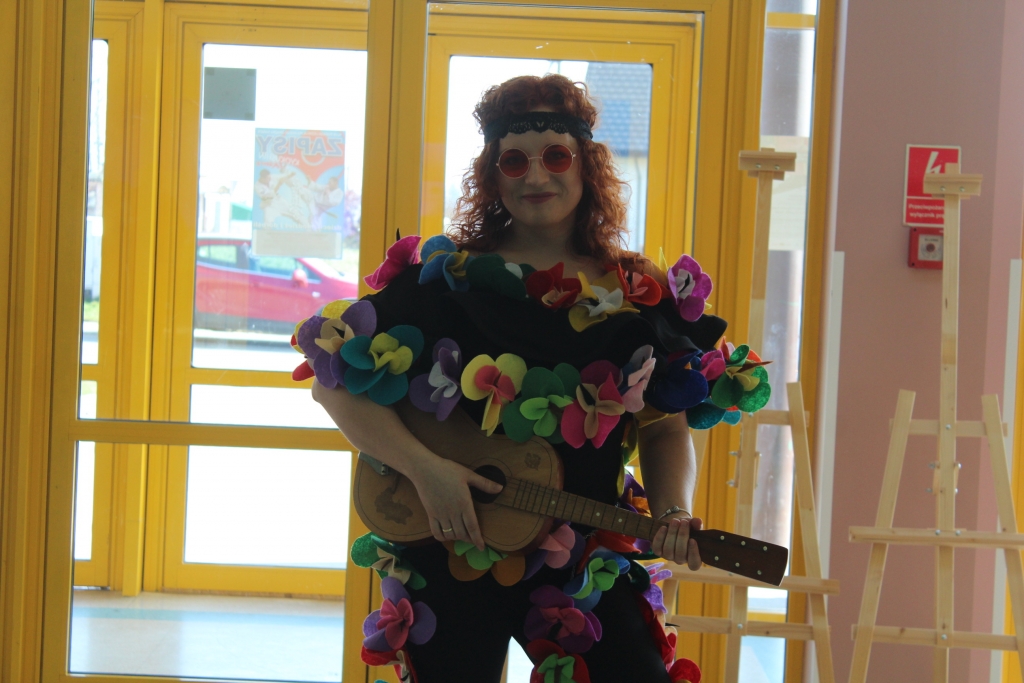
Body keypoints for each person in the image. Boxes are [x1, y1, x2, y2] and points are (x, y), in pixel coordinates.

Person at [295, 74, 770, 683]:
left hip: (586, 560)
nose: (535, 176)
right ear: (493, 176)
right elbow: (333, 385)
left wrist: (674, 510)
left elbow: (665, 428)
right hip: (453, 544)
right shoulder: (446, 280)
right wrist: (427, 470)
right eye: (514, 161)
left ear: (586, 165)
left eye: (555, 156)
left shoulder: (634, 292)